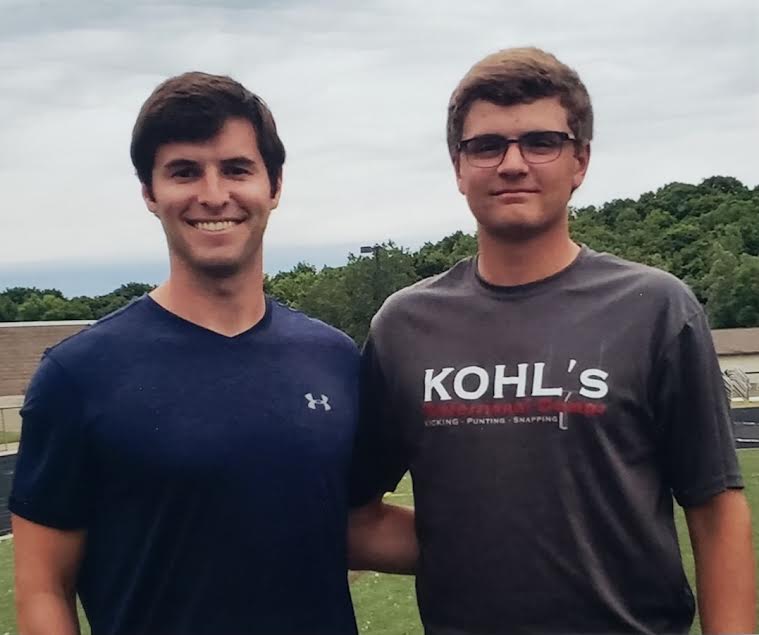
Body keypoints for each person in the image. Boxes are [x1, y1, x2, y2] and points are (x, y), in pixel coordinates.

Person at [349, 47, 755, 634]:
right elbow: (353, 517)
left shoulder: (657, 309)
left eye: (541, 142)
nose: (513, 163)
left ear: (580, 161)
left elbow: (715, 510)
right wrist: (476, 544)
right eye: (487, 146)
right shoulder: (404, 325)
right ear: (458, 167)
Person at [11, 72, 362, 635]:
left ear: (274, 186)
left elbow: (358, 526)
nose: (213, 194)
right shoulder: (78, 375)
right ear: (150, 194)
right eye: (183, 172)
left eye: (237, 169)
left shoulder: (335, 359)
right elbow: (42, 589)